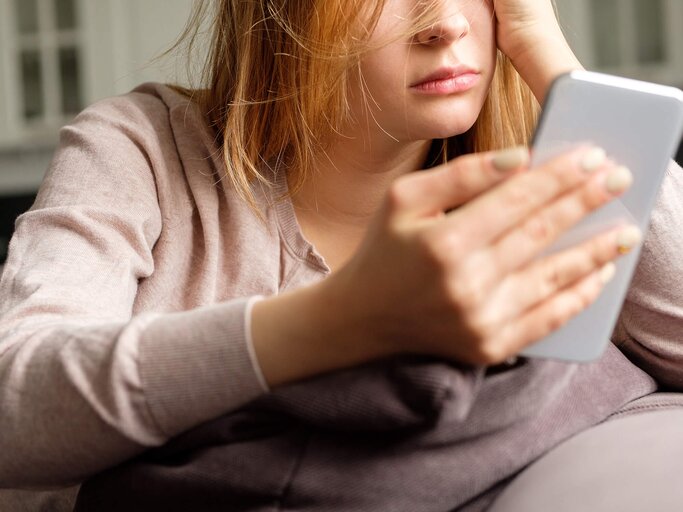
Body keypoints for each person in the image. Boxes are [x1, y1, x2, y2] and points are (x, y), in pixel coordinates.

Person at [1, 0, 682, 510]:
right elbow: (14, 410)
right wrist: (340, 319)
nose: (444, 22)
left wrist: (550, 61)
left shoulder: (548, 169)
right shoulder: (140, 150)